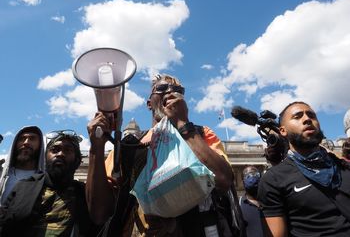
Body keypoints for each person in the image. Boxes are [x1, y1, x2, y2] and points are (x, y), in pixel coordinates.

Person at [86, 74, 243, 236]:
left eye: (177, 90)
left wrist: (182, 124)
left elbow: (224, 180)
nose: (169, 92)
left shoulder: (201, 134)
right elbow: (99, 213)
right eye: (161, 89)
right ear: (149, 104)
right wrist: (96, 149)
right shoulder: (128, 146)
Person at [257, 101, 350, 236]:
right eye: (297, 116)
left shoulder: (343, 166)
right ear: (282, 130)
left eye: (312, 116)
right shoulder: (273, 179)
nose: (307, 119)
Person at [0, 129, 98, 236]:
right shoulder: (23, 186)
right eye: (55, 150)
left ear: (78, 160)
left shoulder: (85, 194)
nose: (60, 154)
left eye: (68, 150)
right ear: (45, 158)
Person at [0, 126, 45, 205]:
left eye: (32, 139)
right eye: (22, 139)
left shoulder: (44, 181)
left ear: (40, 146)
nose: (26, 142)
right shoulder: (1, 175)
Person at [239, 166, 264, 237]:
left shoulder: (270, 202)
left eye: (255, 174)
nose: (251, 177)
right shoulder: (239, 205)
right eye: (247, 175)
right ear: (242, 182)